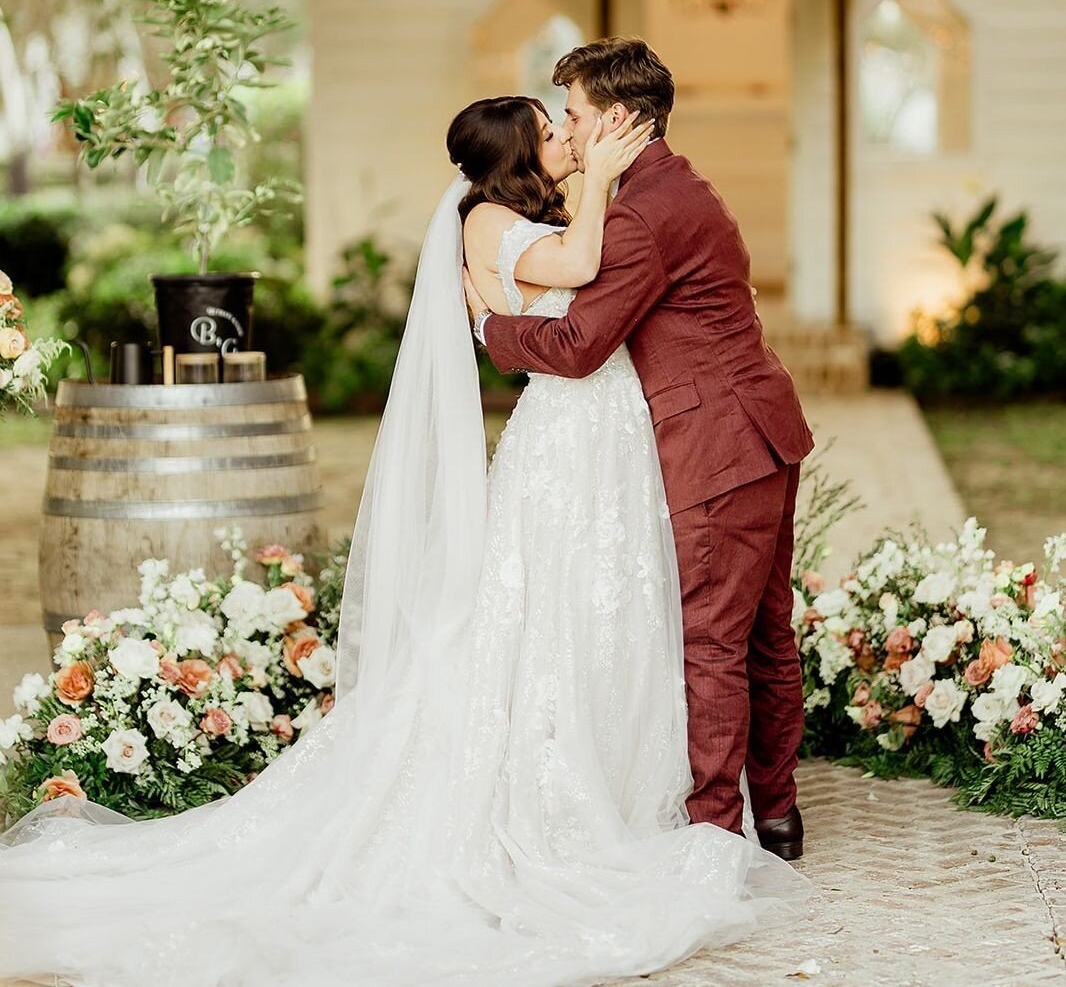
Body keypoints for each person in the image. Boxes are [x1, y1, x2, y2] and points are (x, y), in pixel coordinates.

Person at [0, 92, 808, 987]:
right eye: (552, 129)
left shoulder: (551, 210)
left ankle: (645, 784)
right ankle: (577, 796)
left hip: (612, 435)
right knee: (553, 608)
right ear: (517, 155)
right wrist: (605, 184)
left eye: (567, 118)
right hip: (571, 438)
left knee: (604, 608)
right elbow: (581, 275)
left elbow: (594, 283)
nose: (567, 136)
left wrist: (572, 231)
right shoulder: (492, 218)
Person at [465, 39, 815, 854]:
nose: (572, 134)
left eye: (579, 117)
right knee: (763, 633)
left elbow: (581, 344)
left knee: (714, 642)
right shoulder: (678, 186)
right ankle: (778, 811)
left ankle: (716, 836)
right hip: (761, 430)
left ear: (621, 119)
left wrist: (489, 325)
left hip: (719, 448)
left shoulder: (642, 217)